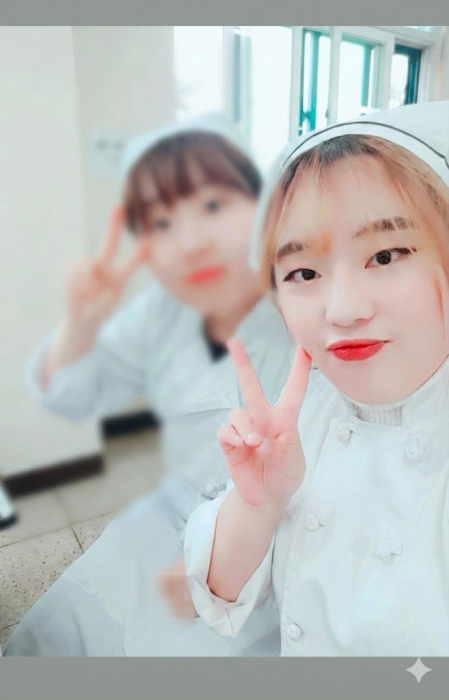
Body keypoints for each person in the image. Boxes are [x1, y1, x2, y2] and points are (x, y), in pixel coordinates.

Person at [4, 113, 294, 656]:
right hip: (166, 521)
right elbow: (68, 392)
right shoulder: (161, 314)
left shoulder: (304, 309)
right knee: (53, 634)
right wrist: (81, 324)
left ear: (257, 206)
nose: (191, 240)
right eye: (162, 222)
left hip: (272, 550)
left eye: (212, 206)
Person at [183, 100, 449, 656]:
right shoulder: (305, 417)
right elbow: (220, 594)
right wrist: (258, 505)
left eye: (385, 255)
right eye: (303, 272)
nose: (343, 310)